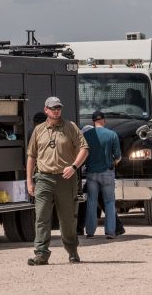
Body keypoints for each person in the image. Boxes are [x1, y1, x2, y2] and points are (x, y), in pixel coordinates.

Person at [25, 96, 89, 265]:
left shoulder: (70, 127)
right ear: (46, 110)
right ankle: (41, 254)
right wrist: (29, 181)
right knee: (41, 217)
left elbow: (84, 149)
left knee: (67, 219)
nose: (56, 111)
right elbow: (31, 156)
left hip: (65, 179)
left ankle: (72, 250)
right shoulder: (38, 130)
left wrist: (74, 167)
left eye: (58, 108)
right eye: (53, 108)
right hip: (44, 178)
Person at [80, 110, 122, 238]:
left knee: (91, 201)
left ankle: (90, 231)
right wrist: (113, 163)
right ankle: (110, 232)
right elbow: (118, 156)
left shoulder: (87, 135)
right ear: (103, 120)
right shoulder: (112, 135)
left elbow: (83, 154)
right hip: (107, 172)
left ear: (93, 122)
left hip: (91, 173)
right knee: (109, 202)